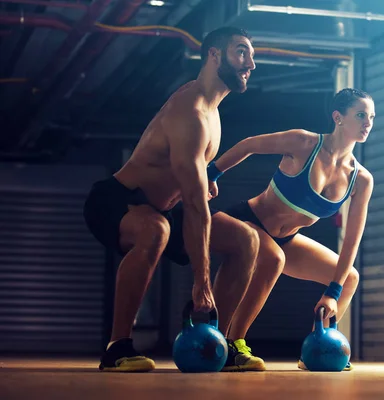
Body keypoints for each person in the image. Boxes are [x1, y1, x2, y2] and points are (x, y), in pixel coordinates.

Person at [83, 26, 264, 372]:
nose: (251, 63)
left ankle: (219, 344)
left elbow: (190, 174)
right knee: (156, 231)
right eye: (242, 52)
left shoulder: (214, 112)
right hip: (115, 200)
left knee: (247, 238)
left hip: (162, 209)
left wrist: (206, 177)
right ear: (214, 55)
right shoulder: (191, 110)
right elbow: (196, 206)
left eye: (251, 55)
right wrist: (202, 282)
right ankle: (117, 348)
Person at [207, 88, 375, 371]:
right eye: (360, 115)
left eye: (371, 117)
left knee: (349, 279)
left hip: (286, 239)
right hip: (246, 220)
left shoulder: (361, 179)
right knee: (274, 258)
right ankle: (234, 344)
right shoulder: (304, 142)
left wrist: (332, 292)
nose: (368, 122)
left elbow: (352, 240)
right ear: (338, 118)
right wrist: (211, 174)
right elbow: (249, 145)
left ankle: (319, 349)